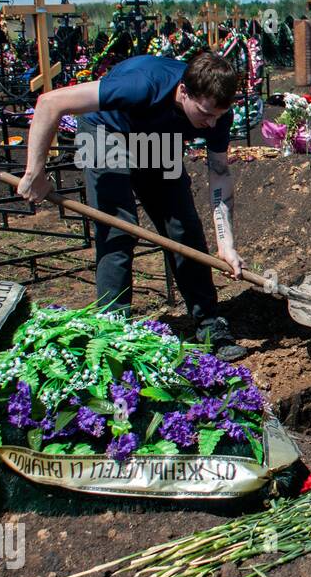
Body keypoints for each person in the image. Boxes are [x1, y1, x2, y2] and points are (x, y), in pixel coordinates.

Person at [16, 50, 248, 361]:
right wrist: (36, 172)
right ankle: (112, 332)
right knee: (117, 227)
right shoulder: (141, 85)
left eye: (218, 116)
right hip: (107, 131)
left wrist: (226, 244)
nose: (211, 123)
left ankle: (207, 321)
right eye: (205, 114)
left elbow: (219, 173)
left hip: (156, 139)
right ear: (183, 92)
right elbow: (50, 102)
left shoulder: (217, 111)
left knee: (183, 226)